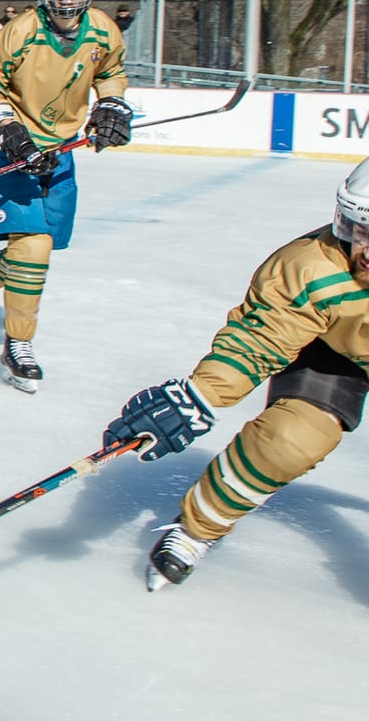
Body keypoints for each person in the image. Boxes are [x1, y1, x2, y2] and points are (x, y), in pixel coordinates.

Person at [102, 157, 369, 592]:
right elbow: (260, 337)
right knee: (290, 440)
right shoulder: (314, 268)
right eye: (361, 231)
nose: (367, 252)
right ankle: (196, 528)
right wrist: (201, 395)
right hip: (335, 347)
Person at [0, 0, 132, 393]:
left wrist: (112, 107)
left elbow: (111, 73)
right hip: (13, 151)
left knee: (35, 252)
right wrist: (8, 128)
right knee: (34, 249)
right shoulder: (20, 31)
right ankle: (18, 344)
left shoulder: (104, 32)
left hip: (60, 153)